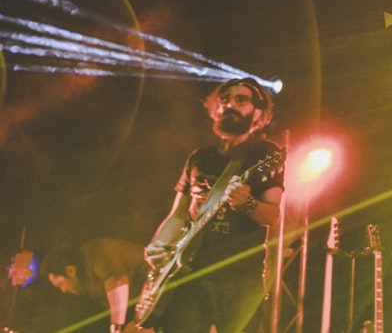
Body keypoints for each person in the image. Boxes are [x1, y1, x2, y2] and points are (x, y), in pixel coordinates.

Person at [143, 77, 284, 333]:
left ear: (258, 113)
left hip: (238, 279)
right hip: (189, 275)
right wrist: (157, 246)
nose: (229, 104)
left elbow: (273, 216)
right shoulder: (199, 157)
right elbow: (178, 215)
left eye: (241, 100)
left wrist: (247, 203)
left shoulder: (265, 154)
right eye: (224, 99)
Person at [41, 238, 148, 333]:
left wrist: (117, 327)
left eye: (61, 284)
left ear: (70, 271)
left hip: (159, 279)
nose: (64, 290)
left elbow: (117, 280)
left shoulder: (94, 253)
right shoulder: (90, 288)